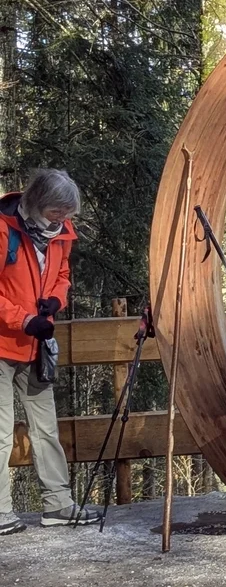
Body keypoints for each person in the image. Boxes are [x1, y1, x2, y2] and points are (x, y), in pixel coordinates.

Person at [0, 170, 99, 534]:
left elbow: (63, 274)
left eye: (67, 213)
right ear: (38, 203)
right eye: (58, 212)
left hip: (36, 346)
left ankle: (58, 504)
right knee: (1, 431)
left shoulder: (61, 235)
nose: (64, 219)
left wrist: (56, 299)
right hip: (4, 342)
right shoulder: (4, 229)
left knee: (46, 427)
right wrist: (24, 320)